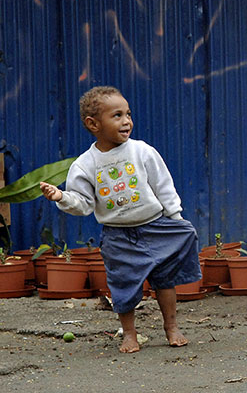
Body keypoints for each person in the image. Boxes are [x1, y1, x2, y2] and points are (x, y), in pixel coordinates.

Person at [40, 86, 201, 353]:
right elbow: (84, 205)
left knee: (165, 279)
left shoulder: (142, 151)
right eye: (117, 115)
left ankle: (171, 327)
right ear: (93, 124)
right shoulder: (84, 165)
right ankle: (129, 334)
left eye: (128, 114)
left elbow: (164, 186)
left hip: (155, 226)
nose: (126, 121)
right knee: (122, 285)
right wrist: (61, 197)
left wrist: (175, 218)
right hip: (118, 235)